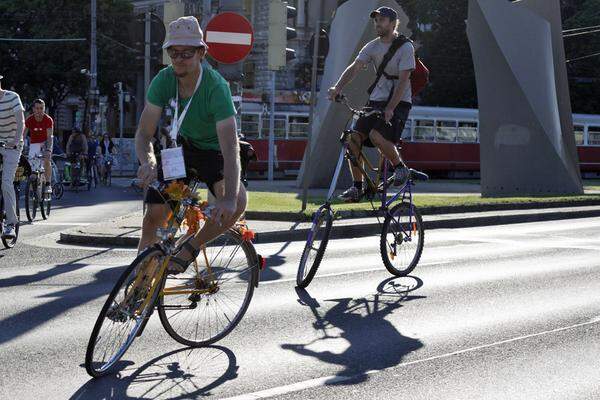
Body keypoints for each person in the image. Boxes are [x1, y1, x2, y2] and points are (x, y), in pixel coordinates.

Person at [135, 16, 246, 273]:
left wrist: (228, 199)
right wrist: (147, 161)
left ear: (201, 53)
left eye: (186, 53)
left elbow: (230, 151)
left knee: (237, 202)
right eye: (174, 53)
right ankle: (139, 283)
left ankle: (191, 247)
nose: (179, 59)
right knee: (154, 215)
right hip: (182, 149)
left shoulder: (216, 87)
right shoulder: (164, 80)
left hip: (215, 151)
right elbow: (143, 133)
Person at [328, 6, 415, 202]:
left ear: (393, 24)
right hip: (375, 100)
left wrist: (391, 108)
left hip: (399, 101)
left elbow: (403, 81)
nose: (378, 23)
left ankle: (400, 168)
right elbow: (355, 68)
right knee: (352, 140)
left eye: (382, 20)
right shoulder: (372, 46)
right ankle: (357, 187)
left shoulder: (405, 47)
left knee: (377, 135)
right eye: (376, 20)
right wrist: (337, 88)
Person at [0, 74, 25, 239]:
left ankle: (10, 223)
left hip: (12, 145)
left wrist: (15, 140)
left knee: (6, 181)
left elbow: (21, 121)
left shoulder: (12, 97)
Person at [24, 99, 53, 194]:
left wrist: (48, 150)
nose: (39, 111)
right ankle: (33, 185)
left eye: (41, 108)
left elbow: (49, 137)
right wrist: (20, 146)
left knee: (46, 160)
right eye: (37, 108)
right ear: (33, 109)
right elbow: (23, 136)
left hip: (45, 142)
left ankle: (48, 184)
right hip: (34, 144)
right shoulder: (29, 119)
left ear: (44, 109)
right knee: (32, 165)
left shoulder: (48, 119)